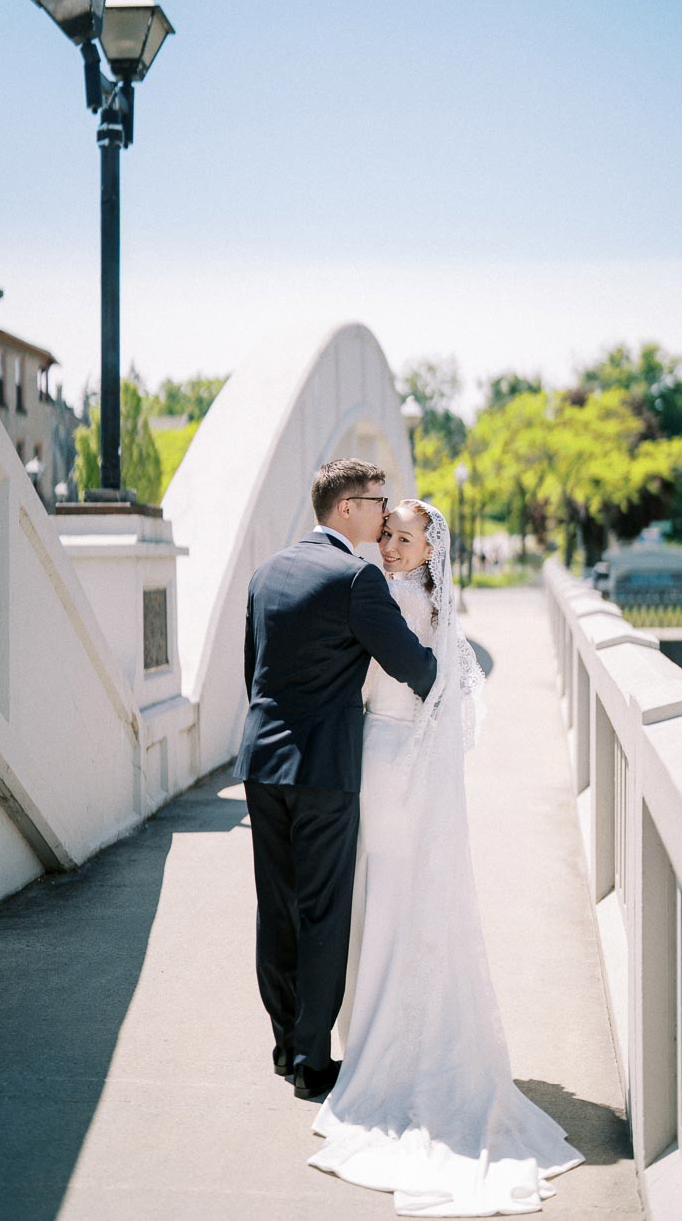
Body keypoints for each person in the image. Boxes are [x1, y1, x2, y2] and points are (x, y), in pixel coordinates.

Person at [308, 500, 584, 1216]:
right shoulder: (435, 600)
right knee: (412, 904)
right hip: (414, 766)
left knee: (386, 905)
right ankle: (418, 1039)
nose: (392, 546)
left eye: (404, 539)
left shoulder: (390, 596)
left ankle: (380, 1053)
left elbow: (373, 680)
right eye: (389, 535)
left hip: (385, 760)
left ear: (430, 550)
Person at [235, 461, 437, 1102]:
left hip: (263, 764)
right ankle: (312, 1063)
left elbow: (253, 672)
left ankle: (283, 1043)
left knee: (278, 904)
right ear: (348, 507)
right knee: (323, 911)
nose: (384, 515)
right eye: (378, 503)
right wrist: (447, 669)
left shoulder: (266, 574)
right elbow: (412, 665)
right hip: (324, 769)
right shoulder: (357, 579)